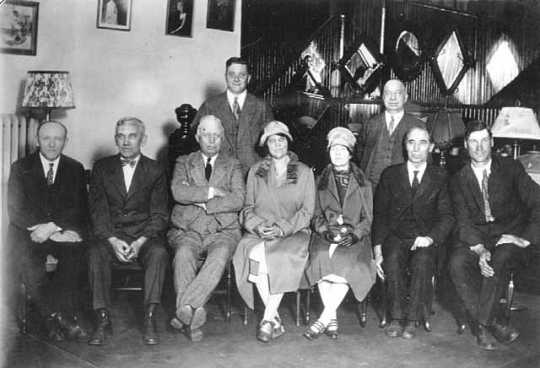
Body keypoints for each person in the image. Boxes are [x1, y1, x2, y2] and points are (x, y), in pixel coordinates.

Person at [449, 121, 540, 350]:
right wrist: (479, 249)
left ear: (492, 142)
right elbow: (462, 221)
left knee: (499, 259)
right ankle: (492, 322)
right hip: (477, 238)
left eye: (483, 141)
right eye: (473, 141)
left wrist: (525, 238)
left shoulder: (511, 168)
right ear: (465, 145)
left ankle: (481, 325)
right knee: (456, 263)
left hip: (509, 236)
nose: (478, 147)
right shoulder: (458, 179)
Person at [87, 117, 169, 346]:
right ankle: (102, 319)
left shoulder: (155, 170)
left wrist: (140, 241)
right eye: (120, 136)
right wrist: (112, 240)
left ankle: (150, 317)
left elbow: (159, 215)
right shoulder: (102, 168)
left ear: (143, 139)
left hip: (144, 236)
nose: (125, 141)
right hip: (111, 235)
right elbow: (98, 212)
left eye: (132, 136)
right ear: (115, 139)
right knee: (95, 253)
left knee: (159, 254)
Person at [233, 121, 315, 343]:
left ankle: (268, 319)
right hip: (260, 231)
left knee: (274, 258)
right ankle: (274, 319)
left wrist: (281, 229)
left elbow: (307, 212)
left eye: (281, 139)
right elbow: (247, 207)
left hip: (293, 233)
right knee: (253, 255)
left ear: (288, 142)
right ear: (265, 144)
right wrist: (258, 226)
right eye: (272, 140)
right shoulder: (255, 171)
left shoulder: (304, 172)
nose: (277, 144)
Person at [7, 121, 88, 342]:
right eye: (46, 138)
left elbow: (80, 207)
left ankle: (56, 316)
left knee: (76, 256)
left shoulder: (75, 168)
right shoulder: (20, 167)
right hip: (28, 233)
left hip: (61, 231)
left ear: (66, 141)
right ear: (37, 140)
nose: (52, 144)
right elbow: (16, 210)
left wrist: (53, 228)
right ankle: (55, 317)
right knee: (28, 261)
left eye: (58, 139)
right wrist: (46, 231)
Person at [373, 126, 454, 339]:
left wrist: (430, 238)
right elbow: (380, 215)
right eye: (411, 142)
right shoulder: (390, 174)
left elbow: (447, 216)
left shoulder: (440, 176)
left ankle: (412, 319)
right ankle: (397, 318)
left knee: (423, 261)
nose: (417, 148)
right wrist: (377, 248)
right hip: (396, 237)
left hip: (426, 239)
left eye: (423, 142)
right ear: (405, 145)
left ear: (431, 147)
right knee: (391, 259)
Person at [168, 115, 245, 341]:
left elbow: (239, 199)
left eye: (216, 136)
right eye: (206, 135)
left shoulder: (233, 164)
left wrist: (201, 200)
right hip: (187, 228)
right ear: (197, 136)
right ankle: (194, 315)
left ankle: (185, 310)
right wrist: (213, 192)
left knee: (220, 256)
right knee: (183, 254)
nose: (211, 140)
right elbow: (177, 192)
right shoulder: (184, 161)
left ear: (222, 138)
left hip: (223, 230)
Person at [304, 127, 376, 340]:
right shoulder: (320, 181)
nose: (337, 153)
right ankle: (331, 317)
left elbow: (368, 219)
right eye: (333, 149)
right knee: (320, 258)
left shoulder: (364, 183)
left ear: (351, 154)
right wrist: (323, 230)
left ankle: (323, 319)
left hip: (354, 236)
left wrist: (356, 235)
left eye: (342, 149)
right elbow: (314, 213)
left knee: (346, 264)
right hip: (326, 234)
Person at [192, 57, 274, 175]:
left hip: (252, 175)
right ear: (226, 76)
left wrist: (261, 173)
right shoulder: (210, 105)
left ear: (249, 78)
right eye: (232, 74)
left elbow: (272, 144)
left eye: (242, 75)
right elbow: (196, 140)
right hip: (219, 175)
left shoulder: (261, 106)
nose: (236, 79)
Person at [355, 79, 425, 187]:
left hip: (402, 189)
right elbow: (360, 153)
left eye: (398, 93)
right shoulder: (371, 123)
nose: (393, 98)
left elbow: (424, 162)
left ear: (405, 97)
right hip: (371, 189)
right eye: (388, 93)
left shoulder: (417, 126)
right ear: (383, 97)